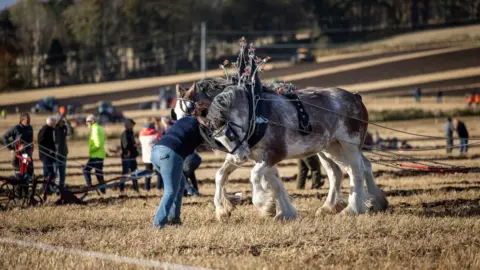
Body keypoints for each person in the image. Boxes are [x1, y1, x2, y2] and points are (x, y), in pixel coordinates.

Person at [151, 116, 203, 228]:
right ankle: (158, 223)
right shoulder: (199, 127)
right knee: (170, 191)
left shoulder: (184, 120)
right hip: (170, 154)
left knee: (180, 184)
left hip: (156, 151)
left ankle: (174, 218)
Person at [82, 115, 106, 194]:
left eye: (87, 122)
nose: (86, 124)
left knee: (85, 170)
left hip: (96, 155)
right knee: (98, 173)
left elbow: (98, 144)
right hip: (100, 155)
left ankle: (89, 186)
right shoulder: (99, 128)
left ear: (92, 122)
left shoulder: (95, 129)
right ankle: (103, 191)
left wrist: (91, 150)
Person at [139, 118, 163, 191]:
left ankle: (147, 188)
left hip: (145, 157)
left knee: (148, 173)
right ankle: (158, 187)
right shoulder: (156, 134)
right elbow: (161, 142)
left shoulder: (141, 134)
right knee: (159, 172)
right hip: (155, 156)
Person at [119, 118, 139, 193]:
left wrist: (135, 148)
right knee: (125, 173)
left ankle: (136, 189)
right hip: (126, 157)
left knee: (134, 173)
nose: (133, 126)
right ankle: (121, 189)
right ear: (128, 125)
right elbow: (125, 145)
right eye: (132, 125)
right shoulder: (125, 134)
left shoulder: (131, 133)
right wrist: (133, 146)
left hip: (132, 156)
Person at [38, 116, 57, 192]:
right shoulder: (45, 129)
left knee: (47, 173)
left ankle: (46, 189)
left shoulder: (50, 129)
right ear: (51, 123)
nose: (55, 124)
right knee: (50, 173)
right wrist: (48, 148)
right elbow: (40, 140)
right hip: (45, 155)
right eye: (54, 123)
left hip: (49, 155)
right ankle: (48, 189)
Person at [54, 116, 72, 191]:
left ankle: (61, 188)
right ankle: (52, 188)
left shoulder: (64, 128)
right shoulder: (54, 130)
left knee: (62, 173)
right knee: (54, 173)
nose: (63, 123)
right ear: (58, 122)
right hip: (56, 154)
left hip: (63, 154)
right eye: (62, 121)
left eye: (64, 122)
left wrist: (67, 123)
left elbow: (70, 132)